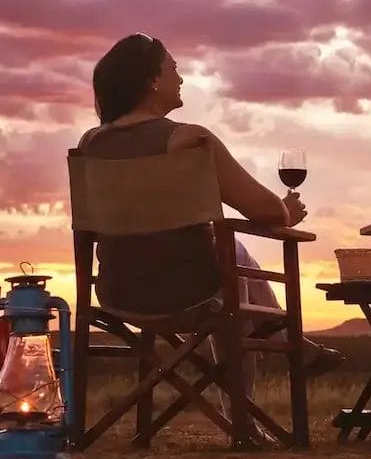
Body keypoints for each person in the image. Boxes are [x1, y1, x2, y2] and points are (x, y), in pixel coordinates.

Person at [76, 33, 343, 414]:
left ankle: (292, 350)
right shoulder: (188, 140)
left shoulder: (90, 146)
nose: (181, 79)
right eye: (174, 69)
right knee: (234, 262)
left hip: (117, 293)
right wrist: (286, 211)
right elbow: (264, 210)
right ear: (152, 79)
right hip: (192, 294)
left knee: (232, 253)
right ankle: (249, 406)